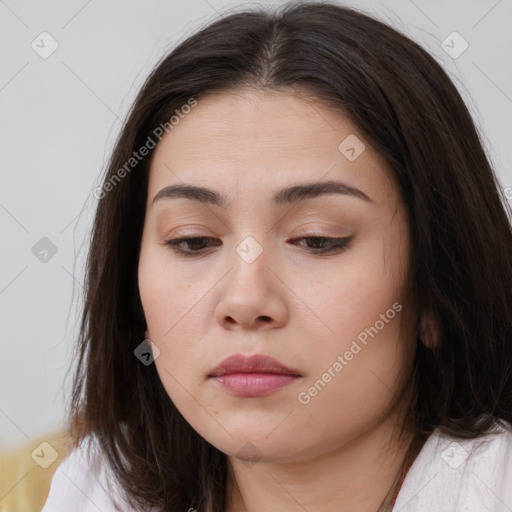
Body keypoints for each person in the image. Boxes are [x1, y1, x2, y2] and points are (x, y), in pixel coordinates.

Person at [41, 1, 512, 511]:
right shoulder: (100, 489)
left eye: (317, 239)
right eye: (192, 241)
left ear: (435, 291)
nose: (245, 300)